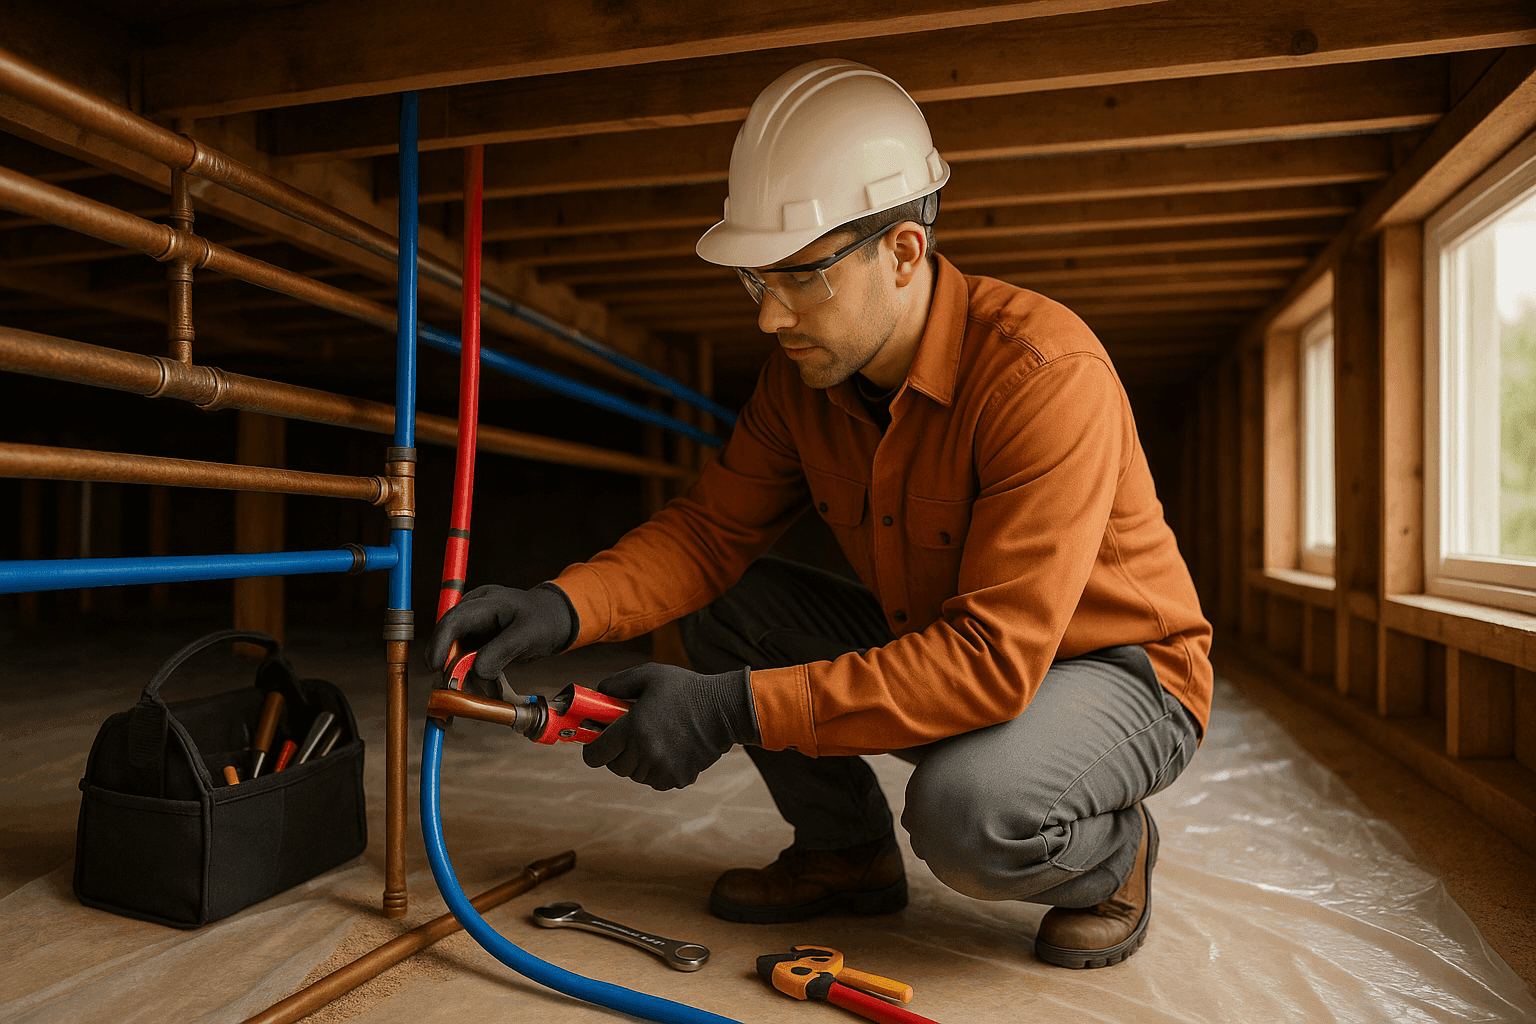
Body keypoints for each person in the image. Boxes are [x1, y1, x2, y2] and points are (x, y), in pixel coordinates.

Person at [426, 58, 1212, 970]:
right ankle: (846, 854)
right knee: (730, 607)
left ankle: (1114, 857)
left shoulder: (1043, 377)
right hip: (946, 635)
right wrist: (560, 607)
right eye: (757, 282)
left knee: (970, 811)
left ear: (904, 252)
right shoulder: (801, 385)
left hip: (1117, 672)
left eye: (798, 277)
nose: (770, 317)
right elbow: (708, 535)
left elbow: (993, 662)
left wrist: (730, 709)